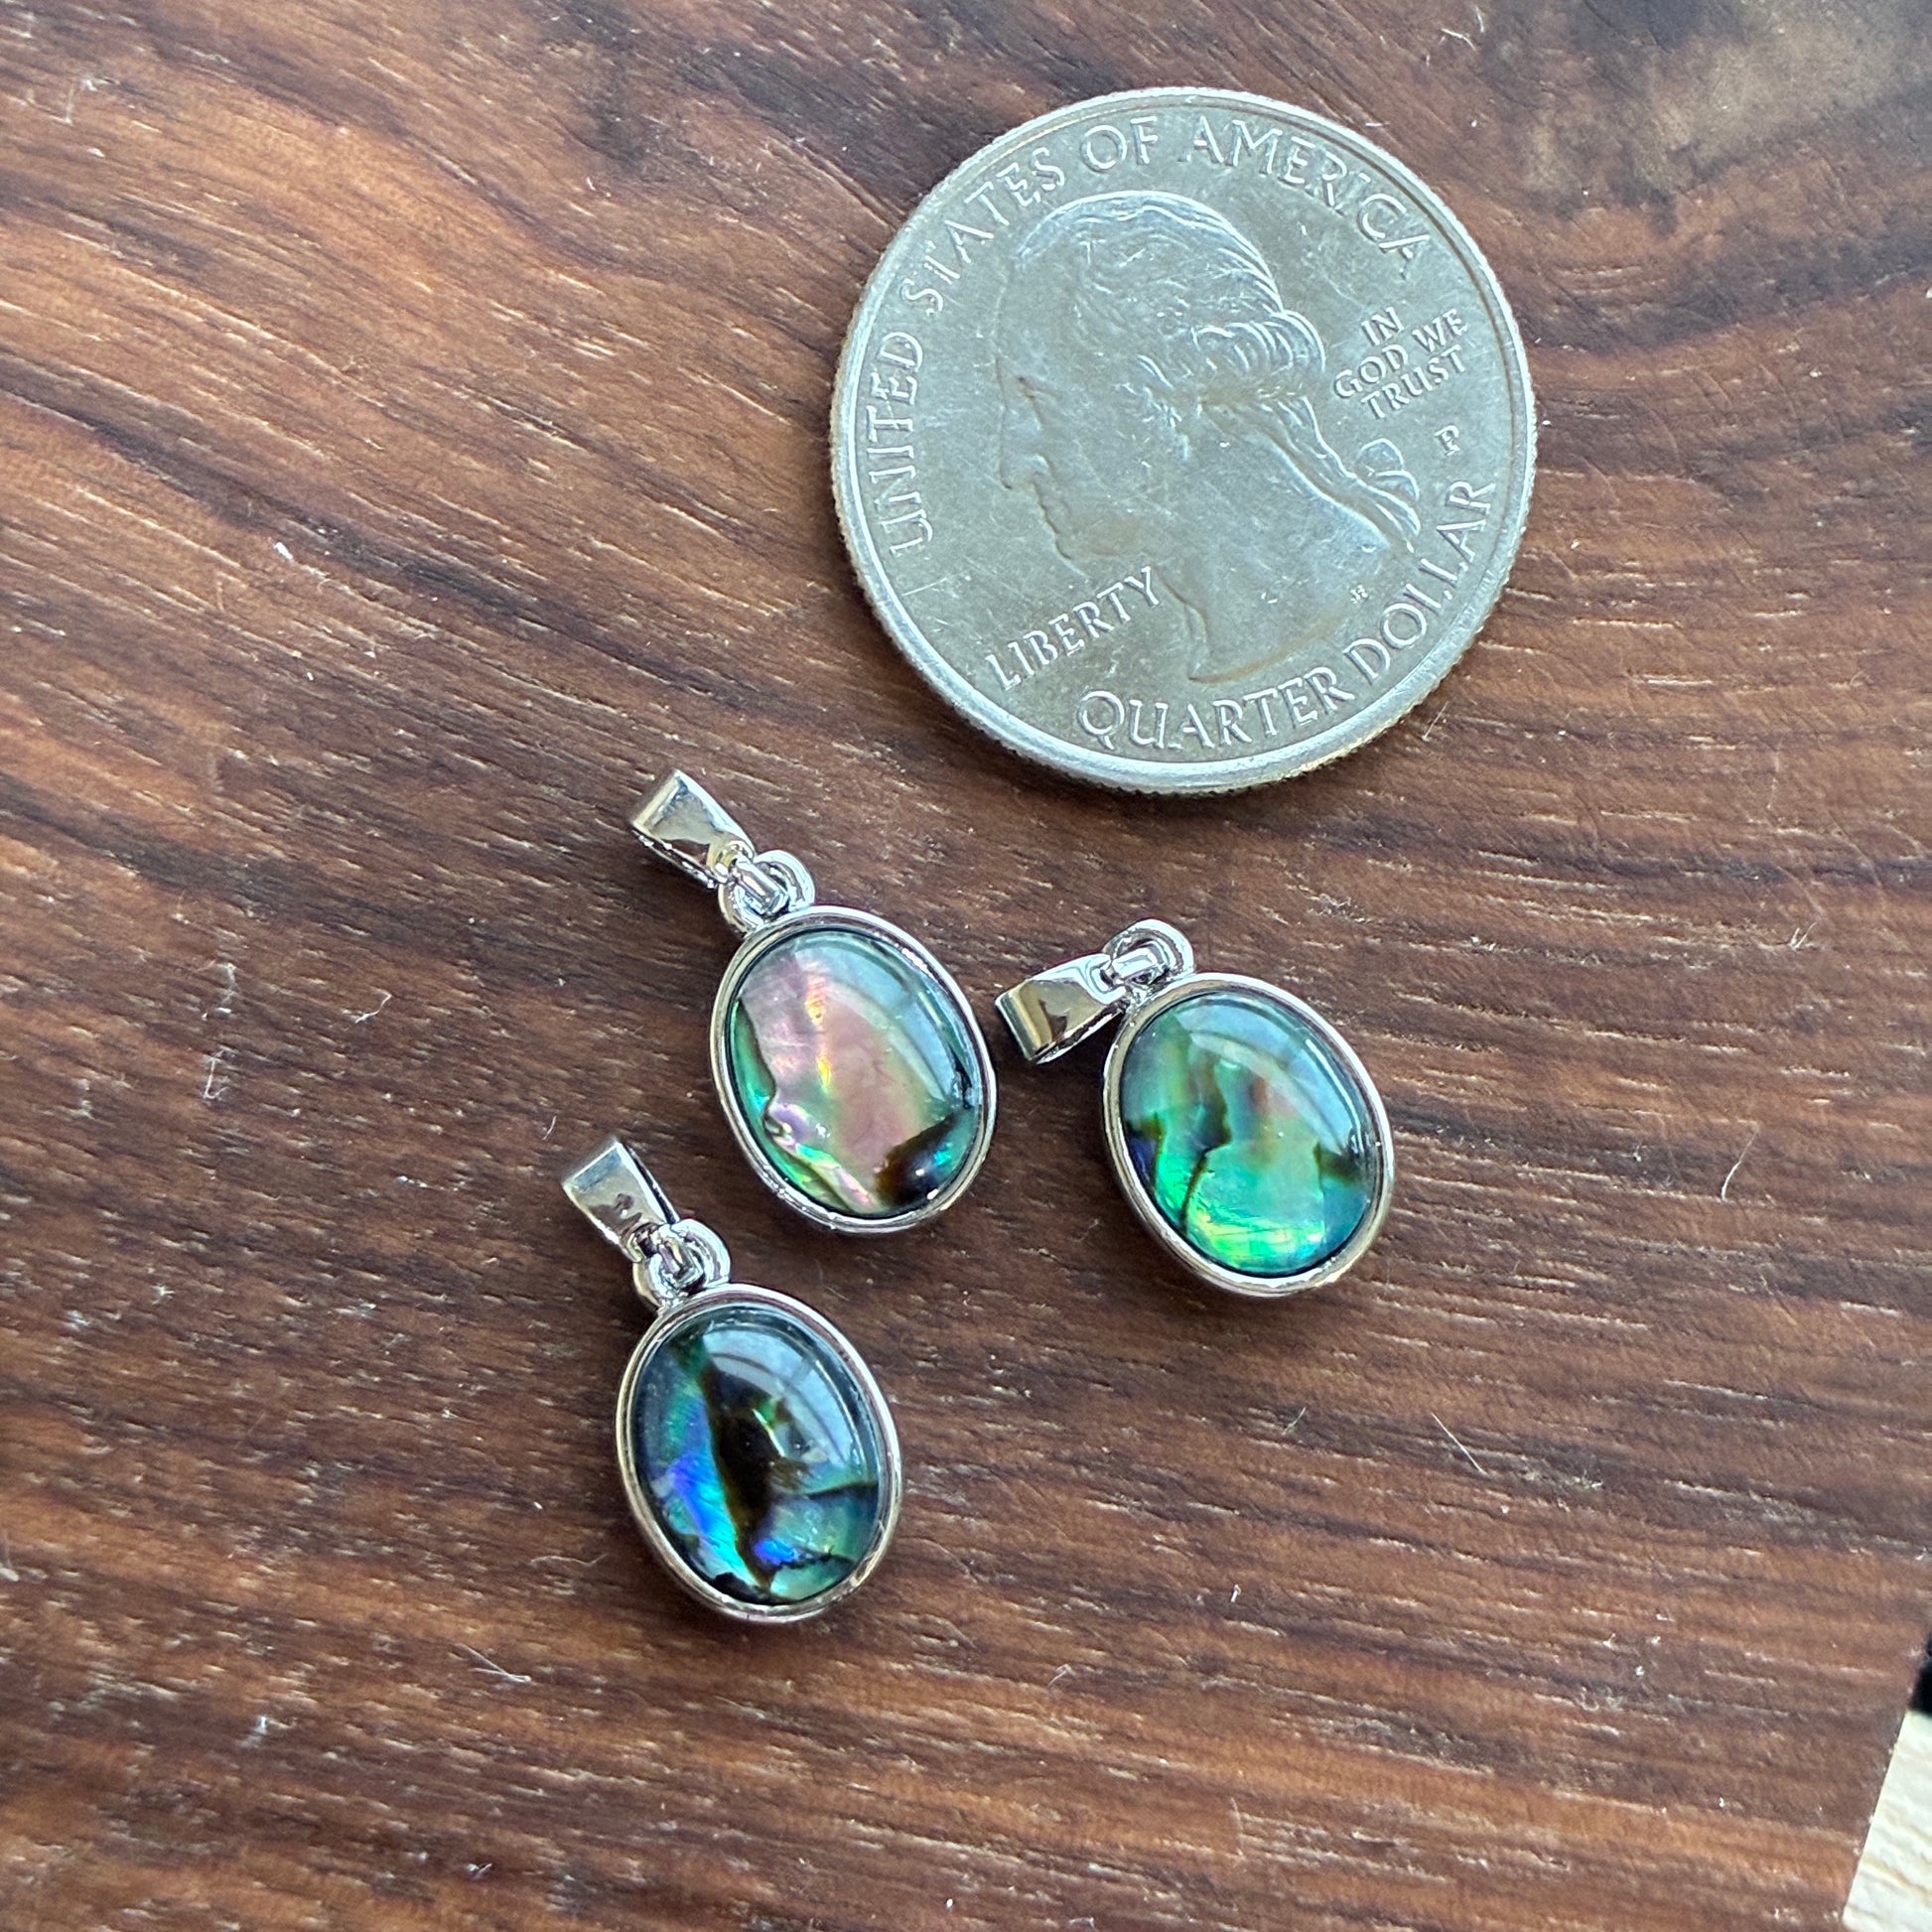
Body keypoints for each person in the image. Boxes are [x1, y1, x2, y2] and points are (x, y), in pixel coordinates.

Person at [997, 191, 1420, 684]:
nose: (1013, 466)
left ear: (1170, 393)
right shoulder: (1263, 622)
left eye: (1037, 402)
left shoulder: (1320, 593)